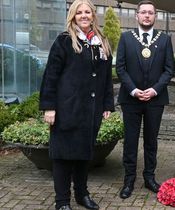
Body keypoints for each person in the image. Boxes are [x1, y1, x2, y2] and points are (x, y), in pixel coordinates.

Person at [39, 0, 114, 209]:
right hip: (66, 109)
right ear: (73, 16)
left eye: (87, 12)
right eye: (79, 12)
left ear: (93, 15)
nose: (83, 15)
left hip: (91, 110)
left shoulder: (102, 41)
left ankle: (82, 194)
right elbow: (50, 76)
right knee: (63, 157)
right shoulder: (64, 41)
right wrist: (49, 106)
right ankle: (62, 201)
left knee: (84, 155)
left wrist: (107, 104)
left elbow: (106, 77)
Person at [116, 0, 174, 199]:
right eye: (143, 12)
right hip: (131, 100)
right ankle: (128, 181)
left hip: (155, 100)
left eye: (150, 12)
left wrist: (154, 90)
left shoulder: (165, 39)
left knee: (151, 141)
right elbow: (120, 68)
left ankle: (149, 178)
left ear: (155, 16)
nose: (147, 15)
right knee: (130, 142)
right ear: (137, 16)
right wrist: (133, 90)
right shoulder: (125, 38)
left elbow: (168, 70)